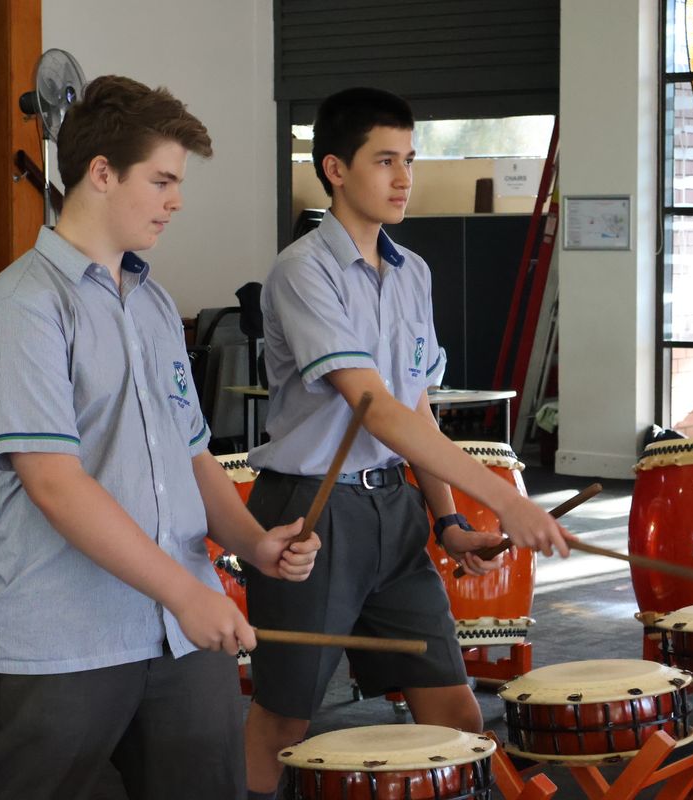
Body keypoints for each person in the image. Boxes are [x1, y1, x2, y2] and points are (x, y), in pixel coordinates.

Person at [0, 75, 320, 800]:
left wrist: (254, 545)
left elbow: (190, 454)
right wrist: (186, 593)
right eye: (162, 180)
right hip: (62, 637)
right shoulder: (24, 306)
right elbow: (54, 484)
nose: (176, 200)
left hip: (179, 635)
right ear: (101, 173)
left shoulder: (155, 304)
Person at [240, 88, 575, 799]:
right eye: (384, 160)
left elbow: (416, 405)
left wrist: (448, 520)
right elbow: (375, 408)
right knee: (284, 720)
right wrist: (506, 502)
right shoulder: (303, 270)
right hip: (311, 513)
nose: (403, 178)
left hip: (394, 511)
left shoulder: (413, 272)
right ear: (335, 169)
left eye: (410, 160)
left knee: (456, 712)